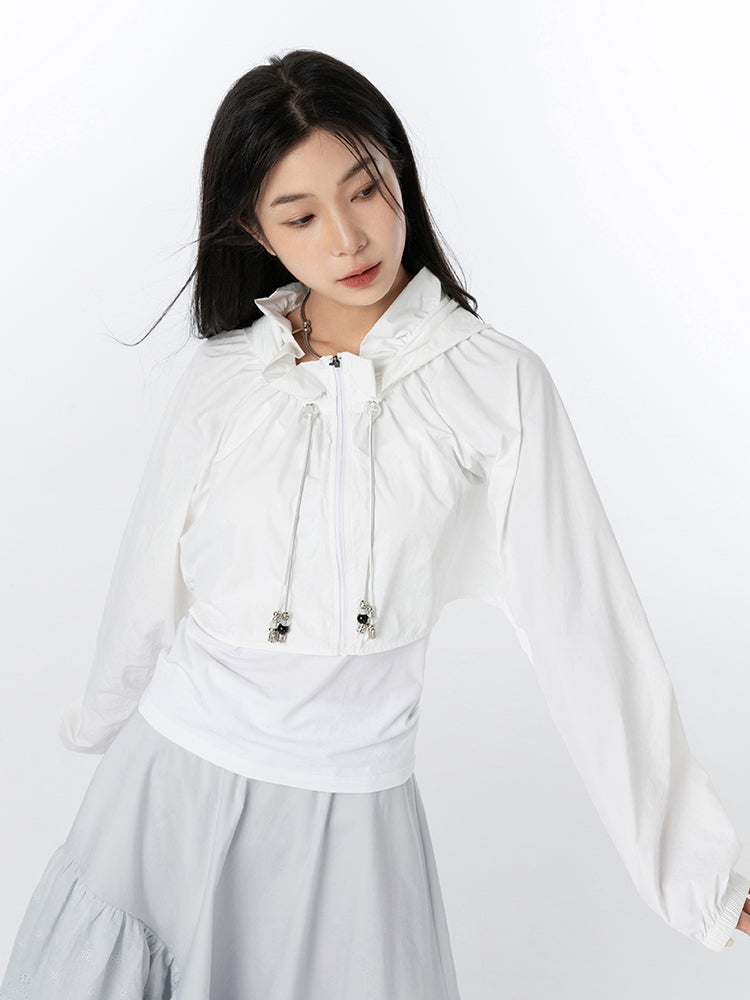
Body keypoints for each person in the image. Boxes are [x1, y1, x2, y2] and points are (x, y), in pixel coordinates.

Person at [2, 47, 749, 999]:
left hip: (347, 821)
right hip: (162, 793)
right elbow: (147, 583)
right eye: (301, 216)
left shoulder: (495, 385)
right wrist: (97, 722)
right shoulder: (224, 377)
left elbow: (588, 632)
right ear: (253, 229)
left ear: (399, 171)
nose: (349, 238)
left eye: (365, 190)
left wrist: (700, 881)